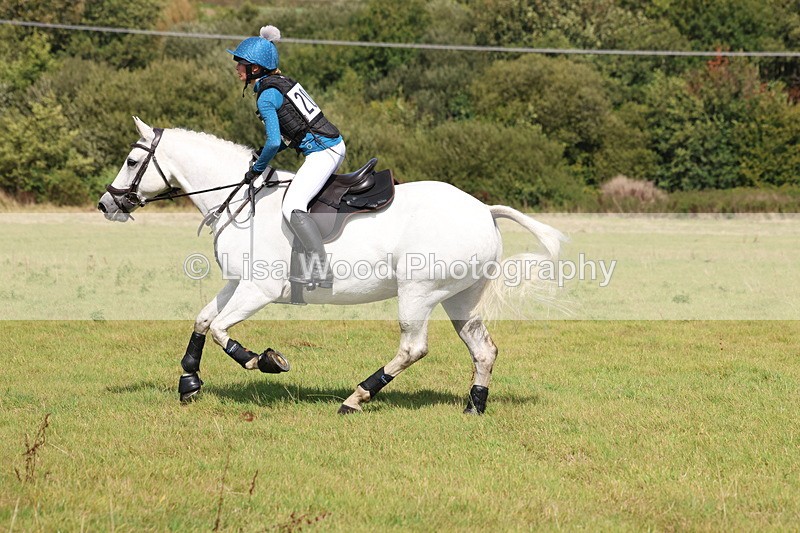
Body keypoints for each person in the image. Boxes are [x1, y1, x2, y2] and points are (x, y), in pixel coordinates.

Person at [228, 25, 345, 287]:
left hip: (323, 152)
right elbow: (292, 133)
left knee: (292, 205)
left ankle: (321, 270)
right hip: (328, 145)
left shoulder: (266, 96)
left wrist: (257, 168)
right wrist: (267, 153)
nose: (237, 68)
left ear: (255, 69)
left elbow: (273, 141)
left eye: (241, 64)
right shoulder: (282, 83)